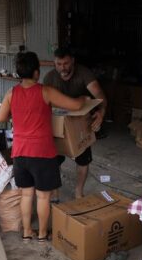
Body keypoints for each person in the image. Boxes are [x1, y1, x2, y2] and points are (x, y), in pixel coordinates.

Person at [0, 51, 85, 242]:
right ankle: (43, 234)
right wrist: (84, 99)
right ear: (36, 73)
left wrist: (18, 114)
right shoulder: (45, 91)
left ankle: (27, 231)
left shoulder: (12, 93)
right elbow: (75, 106)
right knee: (43, 197)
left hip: (20, 153)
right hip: (42, 153)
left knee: (27, 194)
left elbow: (0, 118)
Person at [43, 47, 107, 198]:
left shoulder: (84, 73)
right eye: (59, 64)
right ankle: (55, 191)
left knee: (83, 160)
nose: (62, 68)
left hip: (80, 124)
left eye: (66, 63)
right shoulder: (50, 78)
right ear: (55, 63)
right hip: (58, 124)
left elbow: (100, 96)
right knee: (53, 161)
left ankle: (79, 191)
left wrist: (101, 113)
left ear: (72, 61)